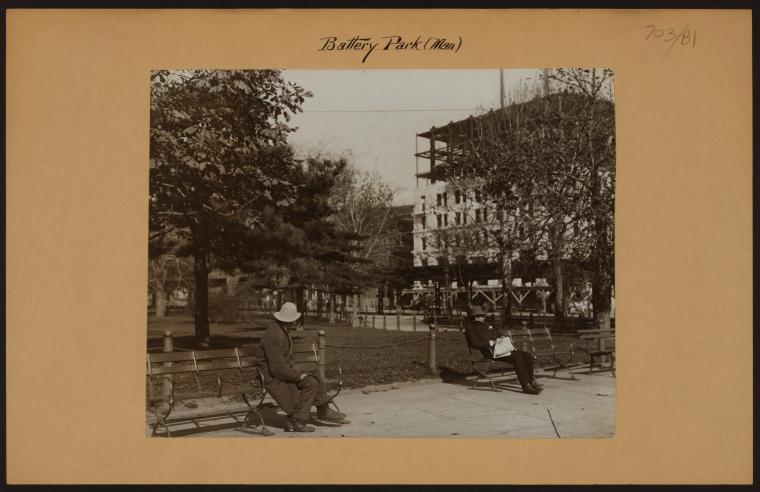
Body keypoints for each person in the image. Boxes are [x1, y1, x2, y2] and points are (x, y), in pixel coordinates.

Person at [258, 302, 349, 432]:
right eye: (294, 319)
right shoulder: (274, 336)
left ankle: (323, 409)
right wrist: (299, 375)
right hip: (272, 375)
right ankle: (297, 420)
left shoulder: (280, 329)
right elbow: (277, 369)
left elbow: (282, 362)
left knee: (314, 370)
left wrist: (300, 371)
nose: (295, 322)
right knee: (311, 383)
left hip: (282, 368)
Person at [463, 305, 544, 395]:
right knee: (517, 357)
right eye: (480, 316)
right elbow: (475, 343)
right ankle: (525, 386)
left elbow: (496, 332)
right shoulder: (470, 329)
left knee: (526, 355)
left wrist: (502, 337)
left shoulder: (486, 324)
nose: (482, 318)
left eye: (483, 316)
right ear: (474, 318)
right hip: (490, 352)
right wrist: (491, 343)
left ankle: (531, 382)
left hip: (500, 349)